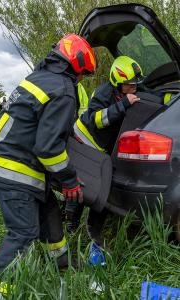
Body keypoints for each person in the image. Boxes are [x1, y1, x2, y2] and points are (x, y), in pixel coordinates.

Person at [0, 33, 96, 298]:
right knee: (24, 231)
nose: (81, 80)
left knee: (50, 215)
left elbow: (38, 126)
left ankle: (62, 265)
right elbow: (48, 148)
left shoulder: (39, 78)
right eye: (83, 74)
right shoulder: (64, 90)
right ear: (76, 67)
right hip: (15, 169)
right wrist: (69, 181)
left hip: (8, 161)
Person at [73, 56, 144, 261]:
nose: (134, 88)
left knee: (97, 188)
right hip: (84, 144)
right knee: (82, 186)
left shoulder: (126, 91)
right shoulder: (103, 93)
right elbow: (97, 120)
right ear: (118, 83)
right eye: (130, 85)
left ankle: (90, 224)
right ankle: (72, 225)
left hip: (101, 150)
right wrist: (122, 107)